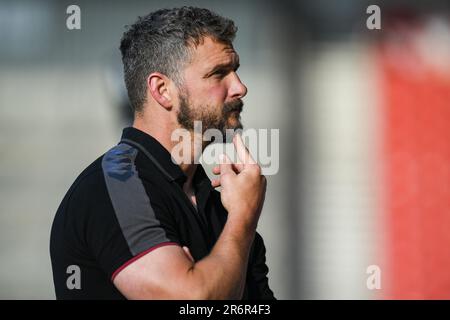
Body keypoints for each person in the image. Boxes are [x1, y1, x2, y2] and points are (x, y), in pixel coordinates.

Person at [50, 6, 274, 300]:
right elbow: (192, 301)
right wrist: (243, 220)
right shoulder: (117, 184)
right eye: (219, 73)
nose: (240, 87)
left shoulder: (222, 200)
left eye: (236, 71)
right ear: (162, 90)